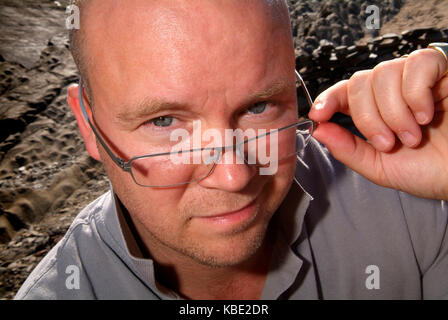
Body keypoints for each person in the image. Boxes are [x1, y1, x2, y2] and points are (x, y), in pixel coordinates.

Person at [15, 0, 448, 300]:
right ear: (87, 124)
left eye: (258, 106)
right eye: (164, 122)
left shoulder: (409, 206)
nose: (234, 176)